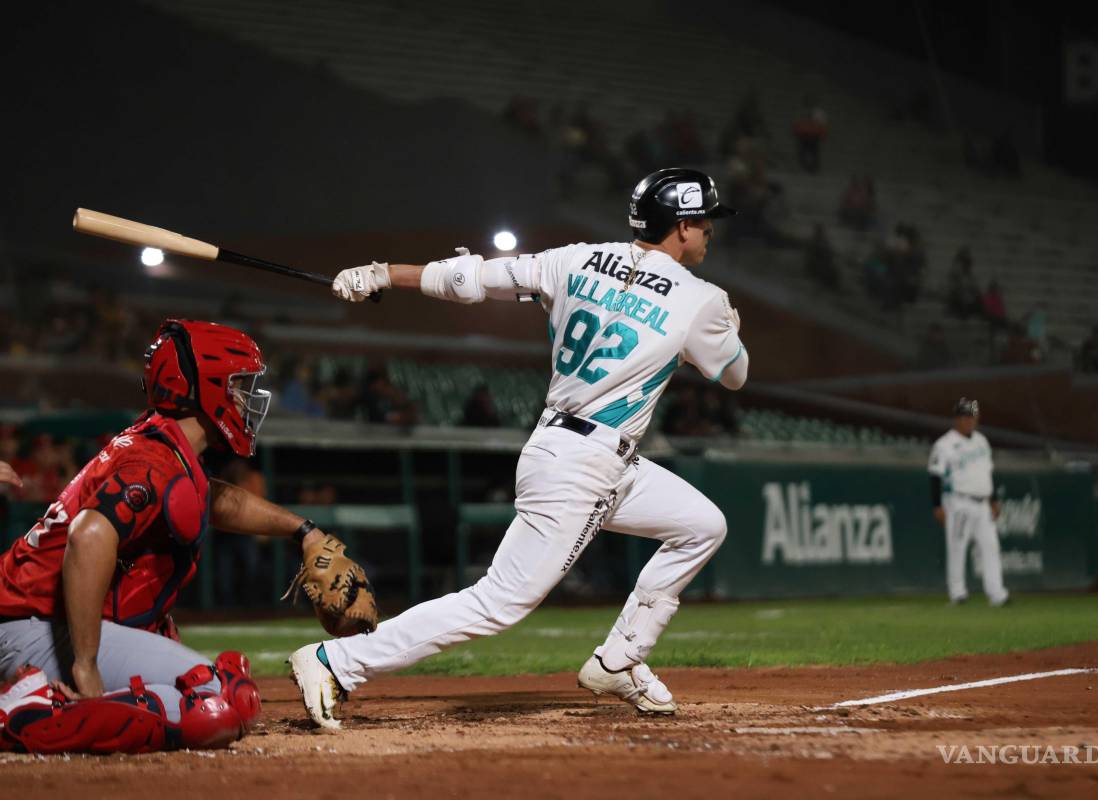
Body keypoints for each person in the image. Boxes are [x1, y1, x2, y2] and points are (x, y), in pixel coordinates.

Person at [291, 167, 748, 728]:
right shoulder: (702, 298)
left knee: (702, 525)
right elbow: (734, 376)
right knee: (498, 601)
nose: (709, 234)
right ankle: (336, 660)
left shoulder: (575, 258)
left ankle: (621, 660)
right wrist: (730, 327)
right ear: (681, 226)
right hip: (581, 465)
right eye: (704, 223)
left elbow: (469, 278)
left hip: (586, 453)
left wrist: (384, 273)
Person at [0, 320, 343, 754]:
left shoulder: (161, 445)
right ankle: (22, 709)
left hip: (27, 624)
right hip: (29, 629)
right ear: (207, 388)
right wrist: (84, 667)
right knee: (212, 703)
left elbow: (211, 498)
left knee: (230, 697)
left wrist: (302, 530)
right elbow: (87, 537)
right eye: (237, 385)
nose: (246, 398)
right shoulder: (153, 459)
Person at [928, 398, 1008, 607]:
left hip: (983, 503)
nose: (971, 421)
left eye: (974, 417)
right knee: (957, 547)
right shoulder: (944, 445)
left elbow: (988, 472)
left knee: (991, 546)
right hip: (959, 502)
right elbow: (935, 476)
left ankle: (997, 594)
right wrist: (937, 505)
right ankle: (957, 593)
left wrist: (994, 500)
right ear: (958, 419)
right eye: (967, 417)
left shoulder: (982, 441)